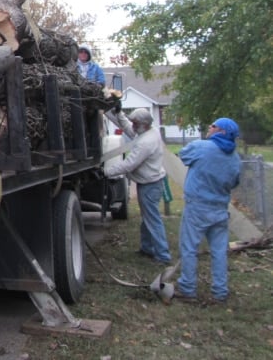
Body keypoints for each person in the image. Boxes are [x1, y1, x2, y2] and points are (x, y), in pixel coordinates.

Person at [175, 118, 242, 304]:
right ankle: (220, 292)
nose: (209, 128)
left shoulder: (201, 147)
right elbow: (235, 181)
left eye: (212, 126)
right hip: (220, 208)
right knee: (219, 251)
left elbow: (183, 155)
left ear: (221, 132)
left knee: (189, 248)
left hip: (197, 207)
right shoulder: (235, 158)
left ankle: (188, 289)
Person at [104, 108, 172, 264]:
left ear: (144, 124)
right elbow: (129, 128)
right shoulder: (149, 131)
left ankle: (163, 255)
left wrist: (106, 171)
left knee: (152, 220)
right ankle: (147, 248)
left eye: (135, 123)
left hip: (150, 185)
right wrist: (119, 113)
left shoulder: (146, 143)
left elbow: (129, 165)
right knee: (147, 219)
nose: (132, 126)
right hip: (150, 183)